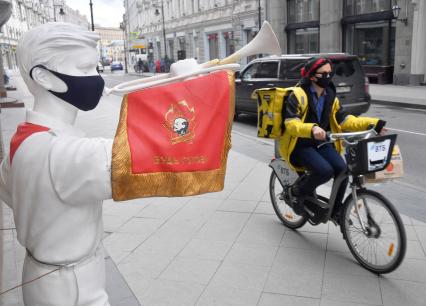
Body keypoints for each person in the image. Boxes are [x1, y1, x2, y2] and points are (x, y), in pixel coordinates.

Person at [0, 22, 112, 306]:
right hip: (73, 287)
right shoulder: (67, 152)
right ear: (45, 78)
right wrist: (187, 90)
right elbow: (168, 157)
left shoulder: (21, 140)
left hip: (42, 275)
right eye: (86, 68)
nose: (96, 79)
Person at [279, 57, 386, 218]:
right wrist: (312, 128)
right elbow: (291, 124)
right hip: (300, 144)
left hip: (321, 142)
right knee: (324, 171)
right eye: (324, 73)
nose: (328, 76)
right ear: (312, 75)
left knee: (342, 170)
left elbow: (345, 120)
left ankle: (335, 211)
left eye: (330, 72)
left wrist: (374, 123)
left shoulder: (330, 95)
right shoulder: (299, 95)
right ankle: (296, 192)